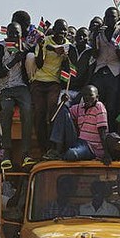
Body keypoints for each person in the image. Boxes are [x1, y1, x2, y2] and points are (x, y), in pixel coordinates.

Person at [0, 22, 34, 169]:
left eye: (17, 34)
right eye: (11, 34)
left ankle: (26, 153)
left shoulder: (25, 47)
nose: (14, 37)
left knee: (27, 110)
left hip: (21, 87)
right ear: (6, 34)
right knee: (6, 110)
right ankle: (6, 152)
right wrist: (14, 61)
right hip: (5, 88)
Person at [31, 19, 74, 152]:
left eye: (64, 31)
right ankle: (42, 146)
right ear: (54, 30)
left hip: (54, 83)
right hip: (39, 81)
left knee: (52, 113)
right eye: (59, 30)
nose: (61, 33)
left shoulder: (68, 45)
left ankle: (51, 146)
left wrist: (66, 59)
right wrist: (41, 47)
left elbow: (68, 69)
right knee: (39, 113)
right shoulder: (45, 40)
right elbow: (39, 64)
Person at [45, 85, 112, 164]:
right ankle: (57, 150)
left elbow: (103, 131)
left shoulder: (99, 107)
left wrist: (106, 154)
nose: (87, 98)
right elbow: (59, 116)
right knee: (63, 110)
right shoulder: (80, 107)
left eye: (90, 95)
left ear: (97, 97)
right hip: (79, 141)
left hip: (91, 147)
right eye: (85, 95)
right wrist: (62, 102)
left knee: (71, 154)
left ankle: (61, 155)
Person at [90, 7, 120, 126]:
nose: (110, 19)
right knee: (94, 101)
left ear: (118, 17)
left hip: (114, 71)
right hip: (100, 69)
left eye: (113, 16)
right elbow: (95, 54)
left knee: (111, 105)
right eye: (107, 16)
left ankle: (109, 131)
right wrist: (94, 36)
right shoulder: (99, 32)